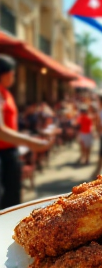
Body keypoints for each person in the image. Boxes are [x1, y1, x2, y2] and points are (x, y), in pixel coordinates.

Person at [0, 55, 51, 209]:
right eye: (13, 73)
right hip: (2, 155)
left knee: (12, 196)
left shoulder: (6, 94)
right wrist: (31, 142)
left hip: (10, 152)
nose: (14, 76)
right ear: (7, 73)